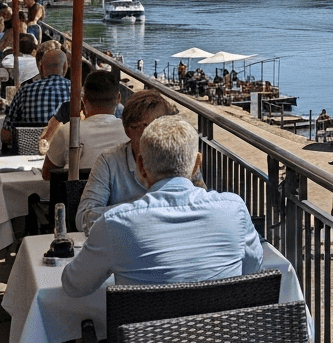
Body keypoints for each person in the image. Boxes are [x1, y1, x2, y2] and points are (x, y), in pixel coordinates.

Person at [61, 116, 261, 295]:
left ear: (141, 167)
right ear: (196, 165)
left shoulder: (116, 224)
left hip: (145, 336)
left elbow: (74, 285)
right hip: (223, 334)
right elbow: (252, 267)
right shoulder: (234, 209)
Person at [77, 90, 181, 232]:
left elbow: (200, 205)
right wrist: (140, 208)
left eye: (161, 127)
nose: (154, 135)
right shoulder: (109, 162)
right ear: (127, 130)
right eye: (144, 126)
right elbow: (83, 218)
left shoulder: (180, 158)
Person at [40, 71, 128, 179]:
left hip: (76, 195)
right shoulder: (130, 133)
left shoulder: (69, 131)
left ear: (84, 99)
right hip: (118, 195)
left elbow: (47, 174)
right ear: (118, 98)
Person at [0, 48, 70, 149]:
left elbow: (5, 135)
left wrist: (30, 139)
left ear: (40, 68)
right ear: (65, 68)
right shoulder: (76, 92)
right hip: (65, 156)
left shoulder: (24, 90)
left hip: (28, 156)